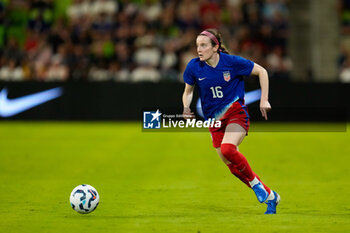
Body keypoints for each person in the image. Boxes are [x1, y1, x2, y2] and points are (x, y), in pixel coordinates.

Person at [182, 28, 280, 214]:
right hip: (215, 121)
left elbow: (262, 71)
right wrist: (186, 108)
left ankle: (255, 184)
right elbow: (188, 92)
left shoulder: (232, 62)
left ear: (215, 47)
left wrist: (264, 99)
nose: (199, 49)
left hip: (236, 114)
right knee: (233, 168)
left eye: (203, 45)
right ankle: (271, 196)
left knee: (228, 149)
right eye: (197, 45)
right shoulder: (194, 66)